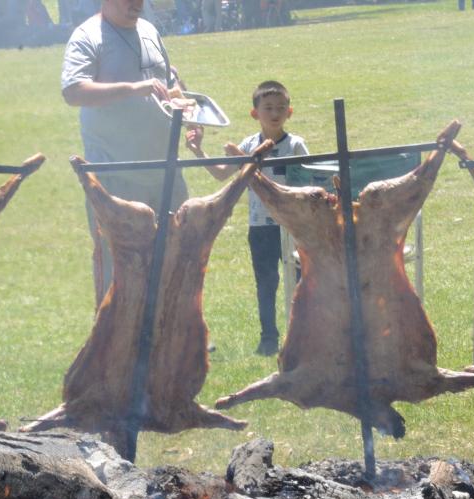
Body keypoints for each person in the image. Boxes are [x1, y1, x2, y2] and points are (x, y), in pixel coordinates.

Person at [62, 0, 192, 306]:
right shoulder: (87, 36)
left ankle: (175, 336)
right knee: (120, 270)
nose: (137, 4)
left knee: (176, 258)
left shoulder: (148, 30)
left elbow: (169, 86)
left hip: (166, 174)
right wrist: (134, 88)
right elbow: (73, 91)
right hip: (116, 176)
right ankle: (119, 347)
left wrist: (188, 115)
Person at [185, 80, 308, 356]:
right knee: (266, 282)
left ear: (290, 112)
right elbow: (221, 173)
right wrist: (198, 150)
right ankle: (268, 337)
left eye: (280, 108)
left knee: (301, 281)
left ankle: (303, 334)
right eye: (268, 108)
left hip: (292, 226)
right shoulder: (247, 146)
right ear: (255, 113)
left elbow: (309, 181)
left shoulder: (297, 145)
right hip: (261, 227)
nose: (274, 113)